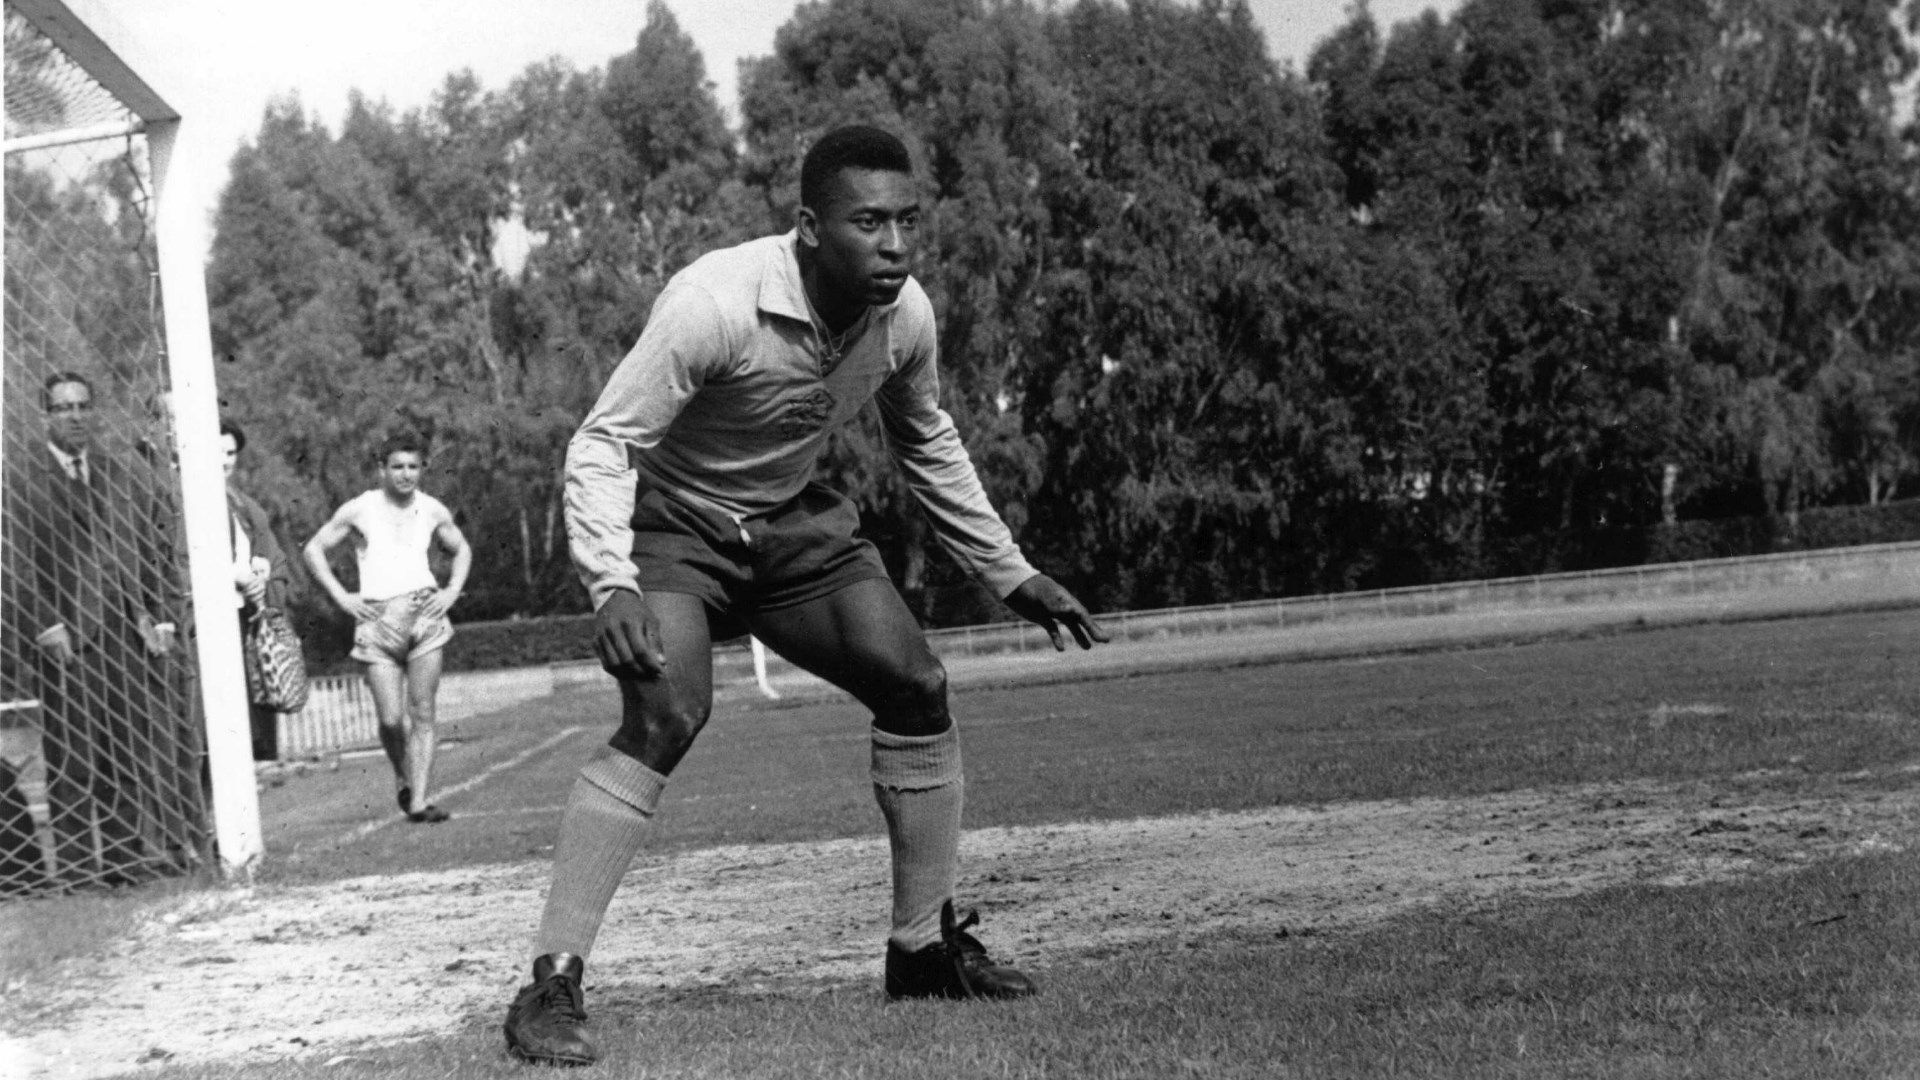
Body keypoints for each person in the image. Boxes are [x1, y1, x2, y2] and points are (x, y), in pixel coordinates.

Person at [501, 125, 1108, 1067]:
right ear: (810, 228)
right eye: (870, 222)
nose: (896, 245)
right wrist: (611, 579)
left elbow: (928, 440)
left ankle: (920, 954)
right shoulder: (713, 301)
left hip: (792, 525)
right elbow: (604, 442)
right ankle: (551, 983)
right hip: (676, 528)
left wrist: (1008, 570)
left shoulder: (906, 317)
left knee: (917, 683)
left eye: (909, 221)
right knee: (668, 712)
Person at [4, 371, 182, 887]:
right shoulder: (20, 482)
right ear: (46, 417)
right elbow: (13, 564)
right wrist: (44, 625)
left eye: (84, 406)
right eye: (64, 408)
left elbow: (150, 551)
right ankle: (82, 872)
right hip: (65, 643)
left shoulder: (119, 474)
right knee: (74, 759)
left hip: (124, 637)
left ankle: (126, 862)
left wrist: (161, 616)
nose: (76, 416)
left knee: (127, 751)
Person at [303, 433, 471, 824]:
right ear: (382, 470)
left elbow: (461, 548)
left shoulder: (431, 509)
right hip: (377, 622)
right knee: (391, 719)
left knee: (423, 712)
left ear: (422, 470)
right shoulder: (361, 509)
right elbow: (313, 550)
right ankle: (403, 776)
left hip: (425, 617)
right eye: (397, 466)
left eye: (413, 467)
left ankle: (420, 801)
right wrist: (342, 598)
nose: (405, 474)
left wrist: (451, 592)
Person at [221, 420, 296, 761]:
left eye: (230, 453)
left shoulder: (244, 505)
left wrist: (261, 576)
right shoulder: (186, 501)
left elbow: (273, 558)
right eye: (216, 452)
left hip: (248, 618)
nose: (224, 460)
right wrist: (233, 576)